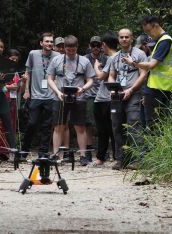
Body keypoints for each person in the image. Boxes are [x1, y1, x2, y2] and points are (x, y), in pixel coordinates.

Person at [47, 35, 96, 166]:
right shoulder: (57, 60)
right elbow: (50, 78)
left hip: (78, 97)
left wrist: (83, 88)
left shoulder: (84, 61)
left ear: (77, 47)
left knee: (80, 126)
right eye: (68, 50)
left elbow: (91, 79)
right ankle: (55, 155)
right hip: (60, 96)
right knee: (58, 126)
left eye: (73, 50)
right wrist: (57, 92)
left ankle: (83, 155)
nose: (71, 52)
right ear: (64, 48)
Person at [122, 16, 172, 127]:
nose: (148, 35)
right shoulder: (160, 41)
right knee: (151, 122)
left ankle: (155, 144)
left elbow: (151, 65)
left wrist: (133, 63)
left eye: (148, 31)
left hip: (159, 88)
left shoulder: (165, 41)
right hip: (156, 87)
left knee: (153, 124)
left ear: (155, 25)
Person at [108, 28, 148, 170]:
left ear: (131, 38)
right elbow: (111, 75)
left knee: (133, 125)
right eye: (121, 37)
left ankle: (139, 159)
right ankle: (121, 159)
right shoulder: (115, 57)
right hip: (118, 95)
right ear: (118, 39)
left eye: (127, 37)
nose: (124, 39)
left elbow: (143, 74)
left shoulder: (140, 54)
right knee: (117, 126)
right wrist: (112, 88)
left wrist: (131, 90)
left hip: (134, 93)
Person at [21, 32, 59, 156]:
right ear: (41, 43)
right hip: (36, 95)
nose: (49, 43)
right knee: (31, 123)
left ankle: (43, 153)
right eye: (47, 41)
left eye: (51, 41)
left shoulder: (57, 55)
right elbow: (28, 73)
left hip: (51, 95)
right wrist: (27, 90)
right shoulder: (33, 54)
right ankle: (24, 150)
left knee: (47, 126)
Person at [92, 31, 118, 166]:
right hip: (101, 98)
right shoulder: (114, 57)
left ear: (104, 45)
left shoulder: (113, 58)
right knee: (104, 130)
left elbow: (101, 76)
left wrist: (96, 67)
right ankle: (103, 157)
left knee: (109, 129)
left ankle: (112, 156)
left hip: (107, 99)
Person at [84, 36, 108, 161]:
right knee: (89, 123)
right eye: (93, 45)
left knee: (104, 124)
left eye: (98, 45)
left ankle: (103, 150)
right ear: (90, 46)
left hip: (104, 95)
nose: (95, 48)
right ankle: (88, 150)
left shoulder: (107, 58)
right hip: (89, 95)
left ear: (102, 46)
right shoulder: (85, 59)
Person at [0, 49, 21, 160]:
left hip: (13, 102)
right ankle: (0, 151)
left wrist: (23, 82)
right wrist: (9, 87)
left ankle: (10, 150)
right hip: (2, 100)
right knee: (2, 125)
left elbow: (19, 89)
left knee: (12, 125)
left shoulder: (15, 71)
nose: (14, 61)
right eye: (12, 59)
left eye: (16, 60)